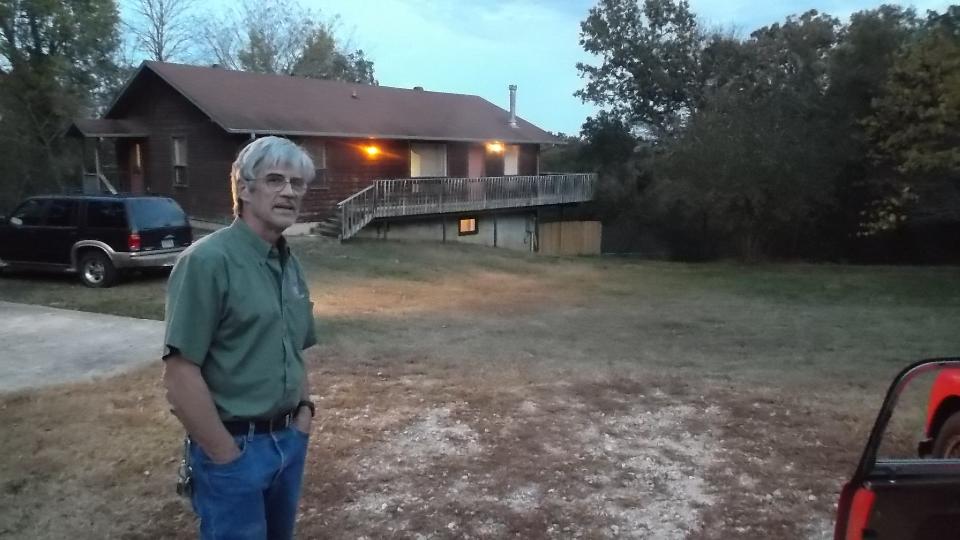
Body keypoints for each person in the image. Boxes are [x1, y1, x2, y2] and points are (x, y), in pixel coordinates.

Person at [163, 136, 318, 540]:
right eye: (275, 180)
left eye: (297, 183)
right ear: (244, 189)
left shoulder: (288, 263)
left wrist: (303, 415)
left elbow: (294, 348)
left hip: (288, 443)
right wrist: (224, 454)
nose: (289, 192)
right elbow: (180, 375)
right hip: (234, 451)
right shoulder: (206, 262)